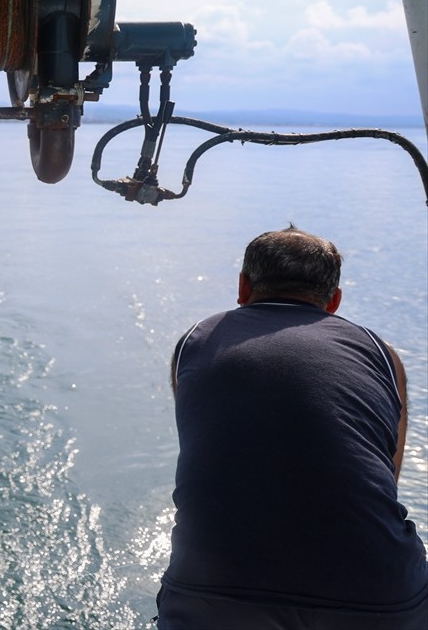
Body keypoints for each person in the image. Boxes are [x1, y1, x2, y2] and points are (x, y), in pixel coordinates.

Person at [157, 226, 427, 628]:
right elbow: (387, 474)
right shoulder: (380, 354)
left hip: (214, 588)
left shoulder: (196, 341)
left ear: (243, 287)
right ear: (334, 301)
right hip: (376, 593)